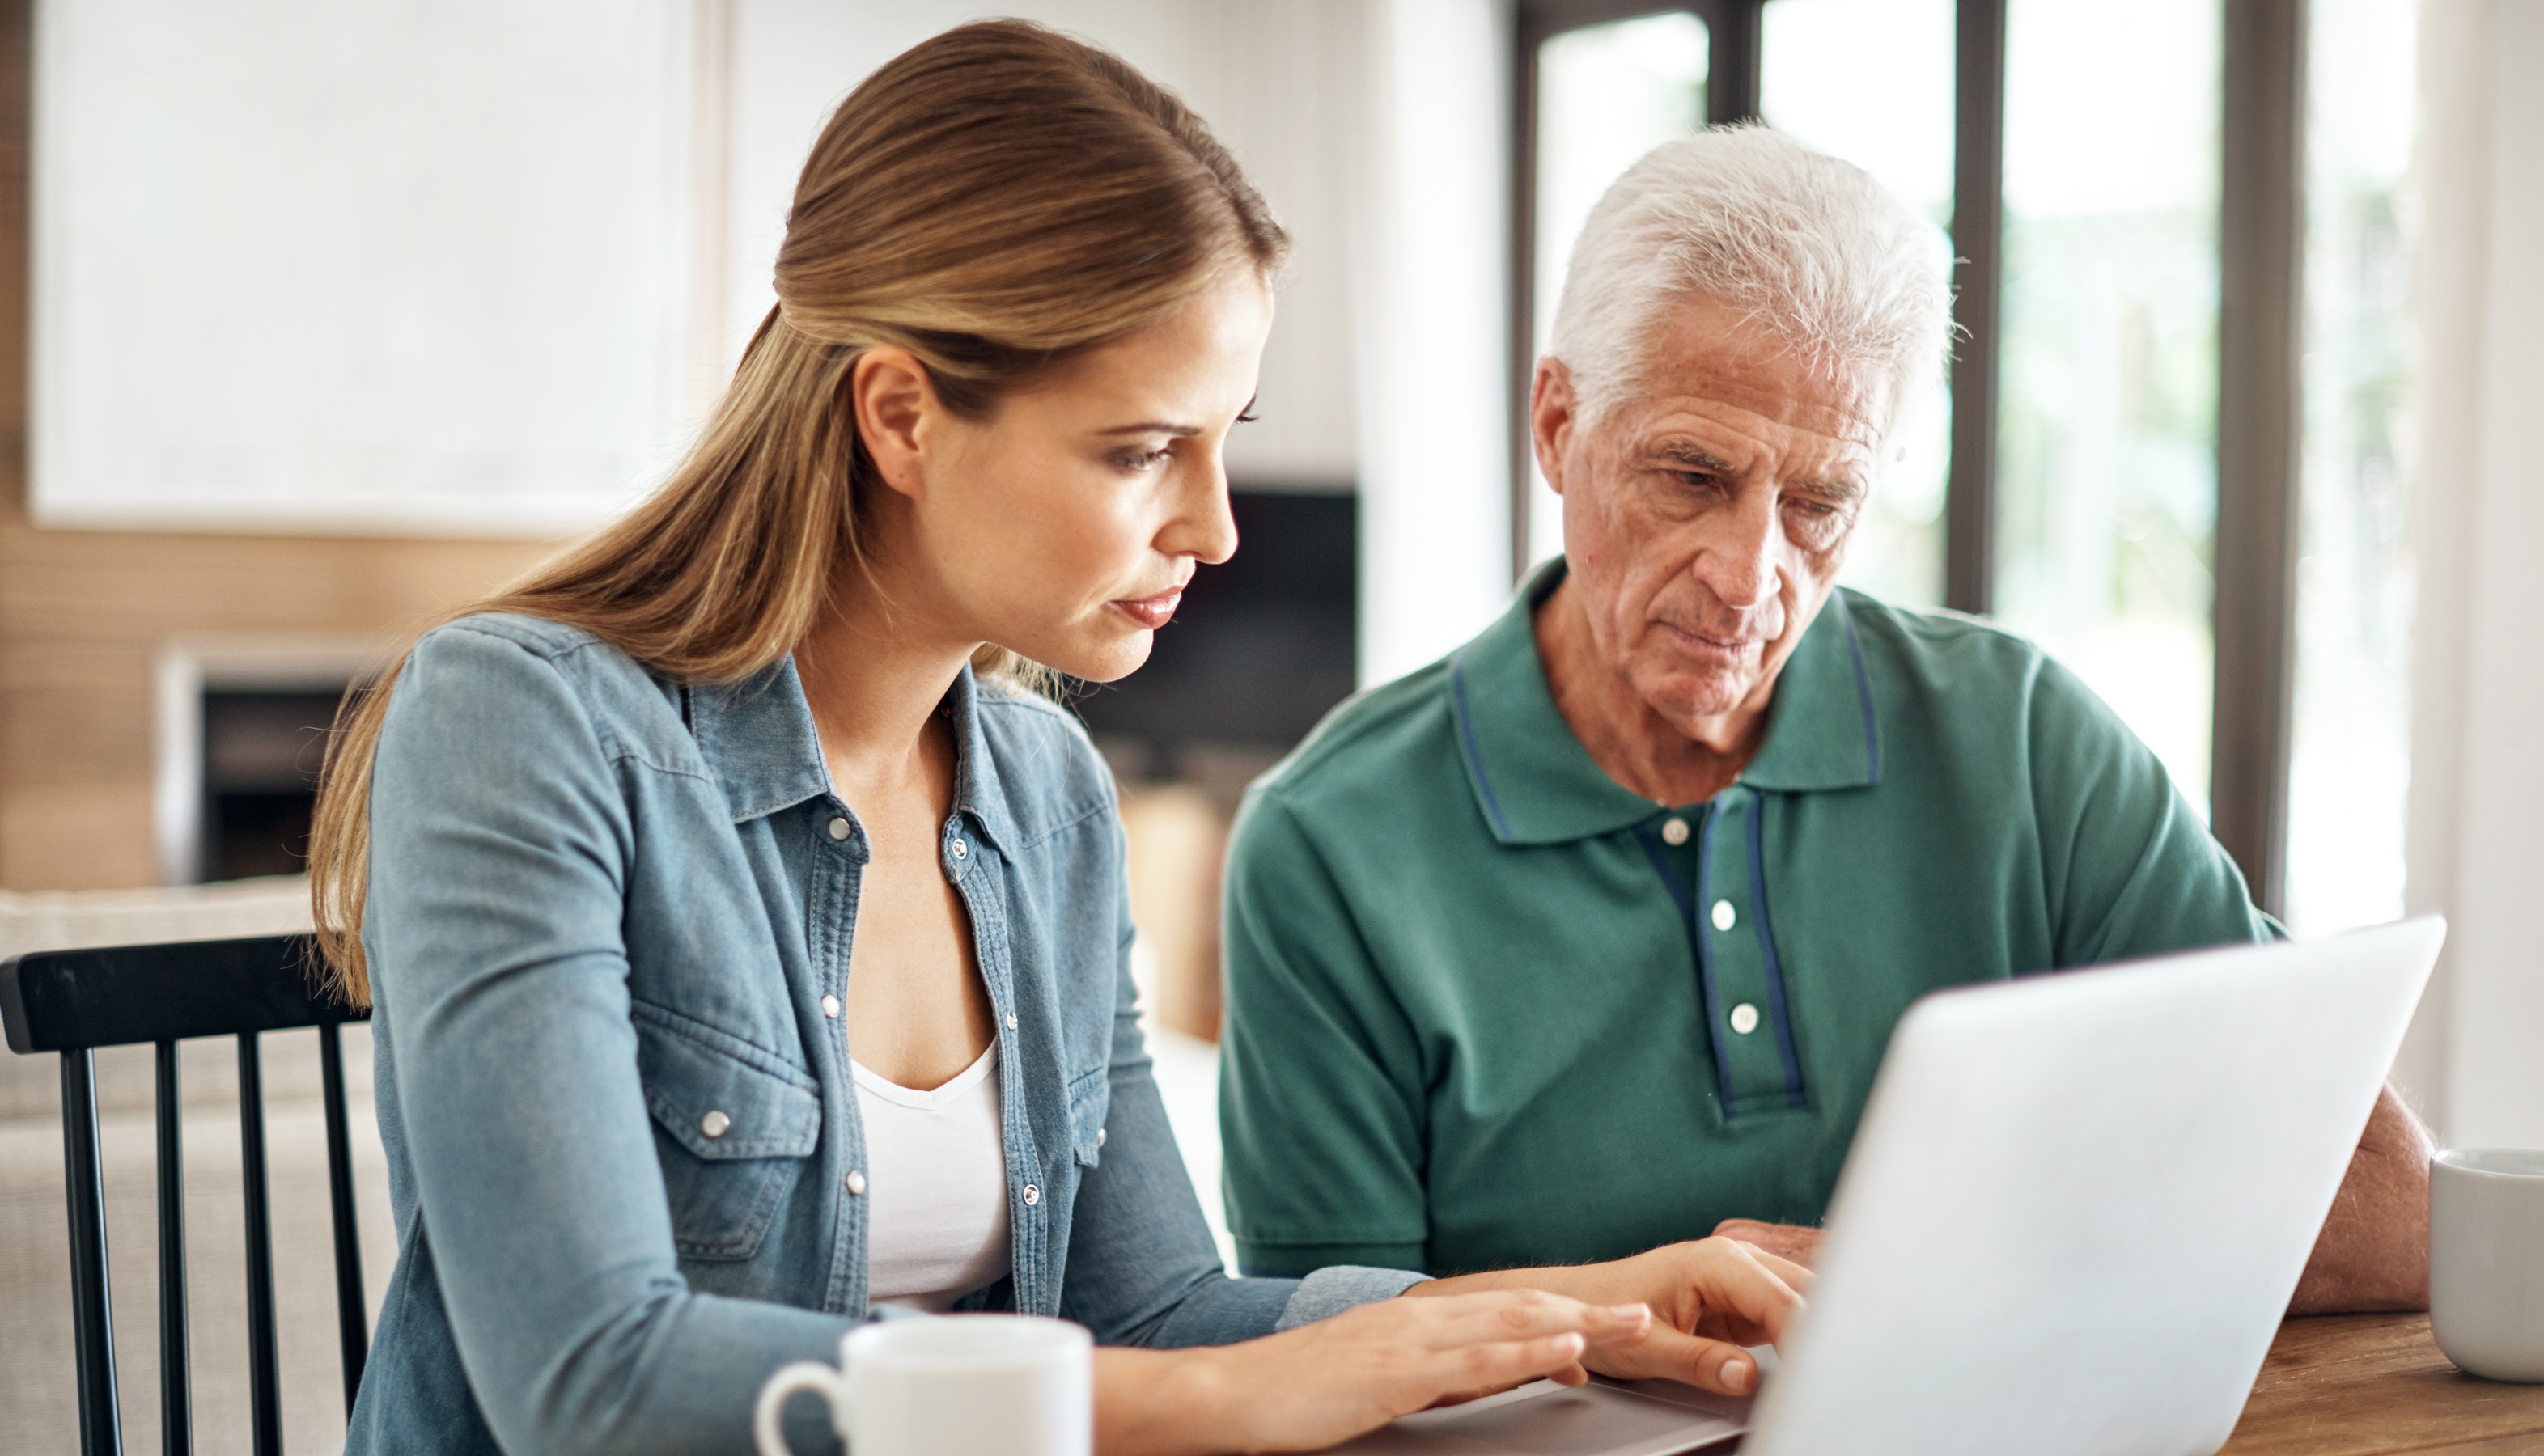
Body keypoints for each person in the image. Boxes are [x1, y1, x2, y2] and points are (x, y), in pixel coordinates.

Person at [309, 24, 1808, 1456]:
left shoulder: (1044, 795)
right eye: (1143, 449)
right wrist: (1237, 1405)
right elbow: (590, 1381)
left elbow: (1159, 1312)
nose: (1214, 526)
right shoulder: (523, 724)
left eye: (1225, 437)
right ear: (900, 416)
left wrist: (1587, 1306)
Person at [1218, 127, 2432, 1310]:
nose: (1751, 577)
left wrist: (1893, 1274)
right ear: (1557, 426)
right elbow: (1326, 1360)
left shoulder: (2026, 743)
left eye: (1821, 502)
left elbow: (2391, 1210)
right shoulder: (1330, 846)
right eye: (1693, 476)